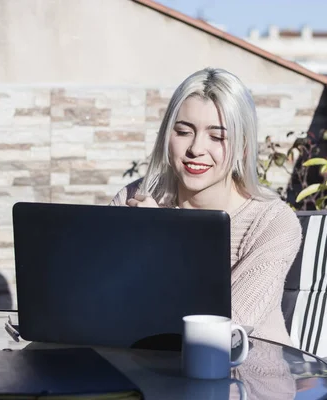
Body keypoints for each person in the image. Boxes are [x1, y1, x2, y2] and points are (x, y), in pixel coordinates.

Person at [110, 67, 302, 346]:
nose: (196, 148)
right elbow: (104, 302)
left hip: (250, 377)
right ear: (167, 135)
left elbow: (220, 331)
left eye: (217, 137)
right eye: (184, 131)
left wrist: (158, 239)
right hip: (145, 369)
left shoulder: (273, 224)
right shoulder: (133, 199)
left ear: (244, 147)